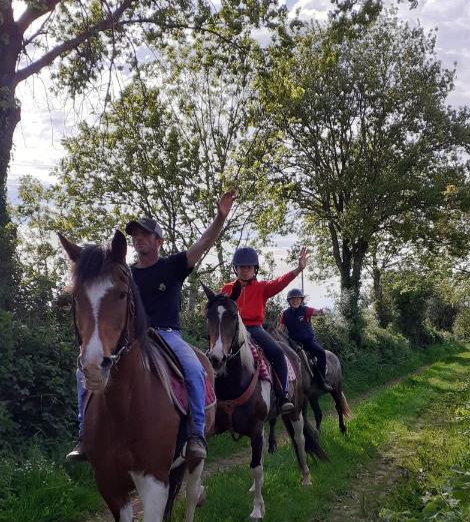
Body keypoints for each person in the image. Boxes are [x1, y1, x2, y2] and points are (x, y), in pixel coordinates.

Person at [67, 191, 236, 463]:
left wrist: (220, 217)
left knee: (194, 369)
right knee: (82, 370)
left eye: (145, 234)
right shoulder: (125, 273)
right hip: (132, 339)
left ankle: (195, 434)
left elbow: (204, 242)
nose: (138, 238)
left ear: (159, 240)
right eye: (134, 235)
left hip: (168, 336)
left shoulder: (173, 266)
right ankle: (85, 435)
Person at [220, 246, 308, 414]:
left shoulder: (262, 288)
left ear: (255, 269)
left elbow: (280, 282)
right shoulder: (226, 289)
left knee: (276, 353)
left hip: (254, 329)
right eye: (241, 267)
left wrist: (298, 269)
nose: (244, 270)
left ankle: (283, 395)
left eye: (248, 267)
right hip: (232, 330)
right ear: (235, 269)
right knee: (213, 354)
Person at [280, 289, 332, 391]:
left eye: (297, 299)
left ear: (301, 300)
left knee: (321, 352)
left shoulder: (306, 310)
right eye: (293, 299)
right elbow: (280, 329)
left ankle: (321, 381)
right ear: (289, 301)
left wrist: (322, 311)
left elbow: (316, 312)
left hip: (308, 341)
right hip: (293, 343)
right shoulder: (285, 314)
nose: (295, 301)